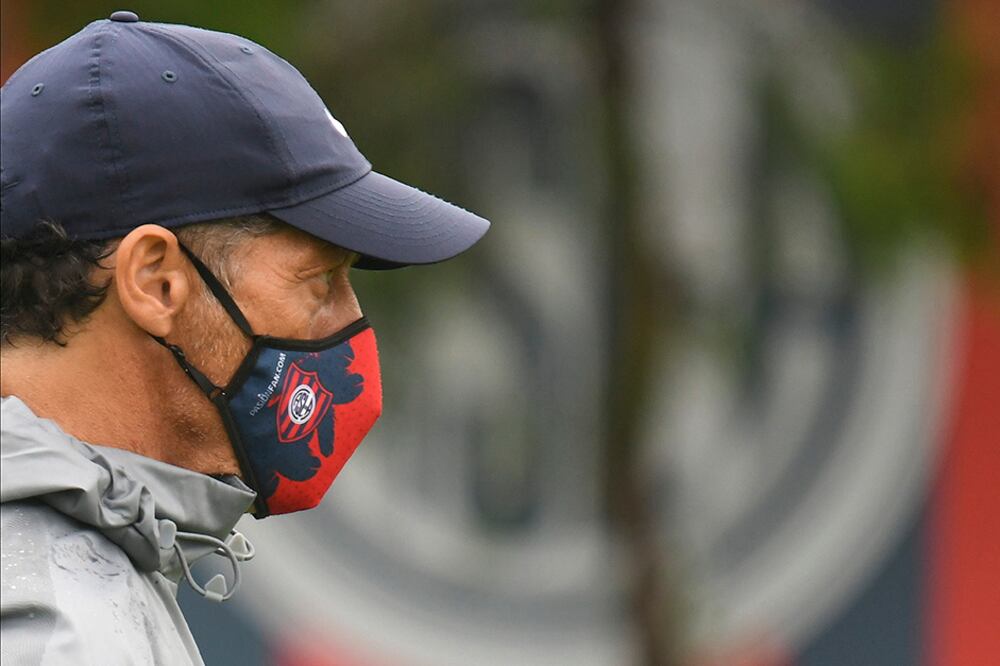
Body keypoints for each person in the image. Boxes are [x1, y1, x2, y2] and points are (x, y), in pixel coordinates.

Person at [0, 10, 489, 665]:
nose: (349, 326)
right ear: (157, 282)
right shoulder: (64, 627)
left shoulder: (84, 570)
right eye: (319, 282)